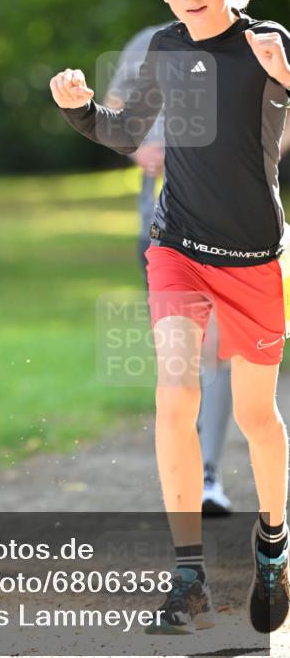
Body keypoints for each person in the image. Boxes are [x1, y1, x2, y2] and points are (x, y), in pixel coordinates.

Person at [50, 0, 289, 635]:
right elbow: (125, 131)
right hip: (176, 247)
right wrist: (80, 111)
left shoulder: (266, 43)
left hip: (253, 255)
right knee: (175, 395)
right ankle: (186, 575)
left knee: (253, 413)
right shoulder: (160, 47)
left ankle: (273, 545)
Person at [105, 26, 235, 517]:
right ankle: (185, 470)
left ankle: (209, 476)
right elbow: (117, 113)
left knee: (216, 348)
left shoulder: (254, 43)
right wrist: (140, 150)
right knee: (181, 353)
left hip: (233, 226)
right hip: (161, 226)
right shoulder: (147, 44)